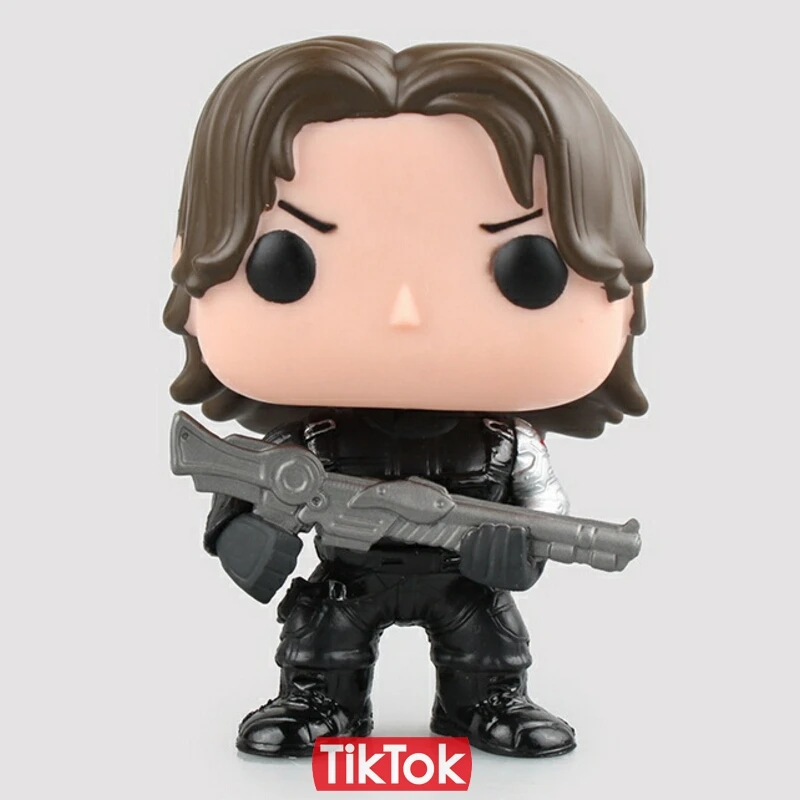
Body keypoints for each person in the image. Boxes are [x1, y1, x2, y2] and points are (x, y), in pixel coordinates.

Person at [164, 36, 653, 758]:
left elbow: (544, 517)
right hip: (346, 579)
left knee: (488, 641)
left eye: (529, 269)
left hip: (461, 582)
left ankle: (484, 702)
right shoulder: (311, 441)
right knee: (321, 638)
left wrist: (514, 560)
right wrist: (260, 530)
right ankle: (319, 700)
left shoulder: (512, 445)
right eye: (286, 264)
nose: (405, 313)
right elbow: (248, 510)